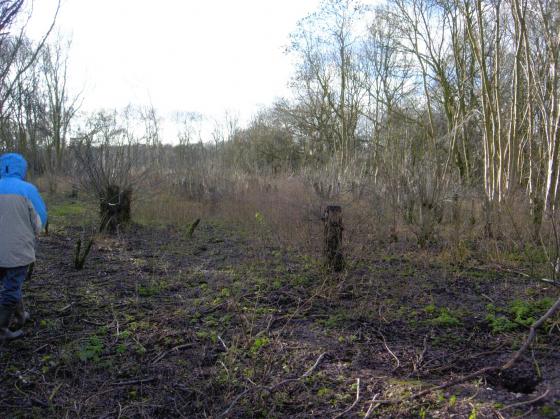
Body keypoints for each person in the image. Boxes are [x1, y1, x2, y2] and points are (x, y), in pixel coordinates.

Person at [0, 153, 47, 341]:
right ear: (22, 169)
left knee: (11, 285)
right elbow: (39, 220)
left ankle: (21, 315)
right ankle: (2, 330)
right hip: (17, 250)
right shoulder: (28, 189)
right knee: (11, 287)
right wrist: (37, 232)